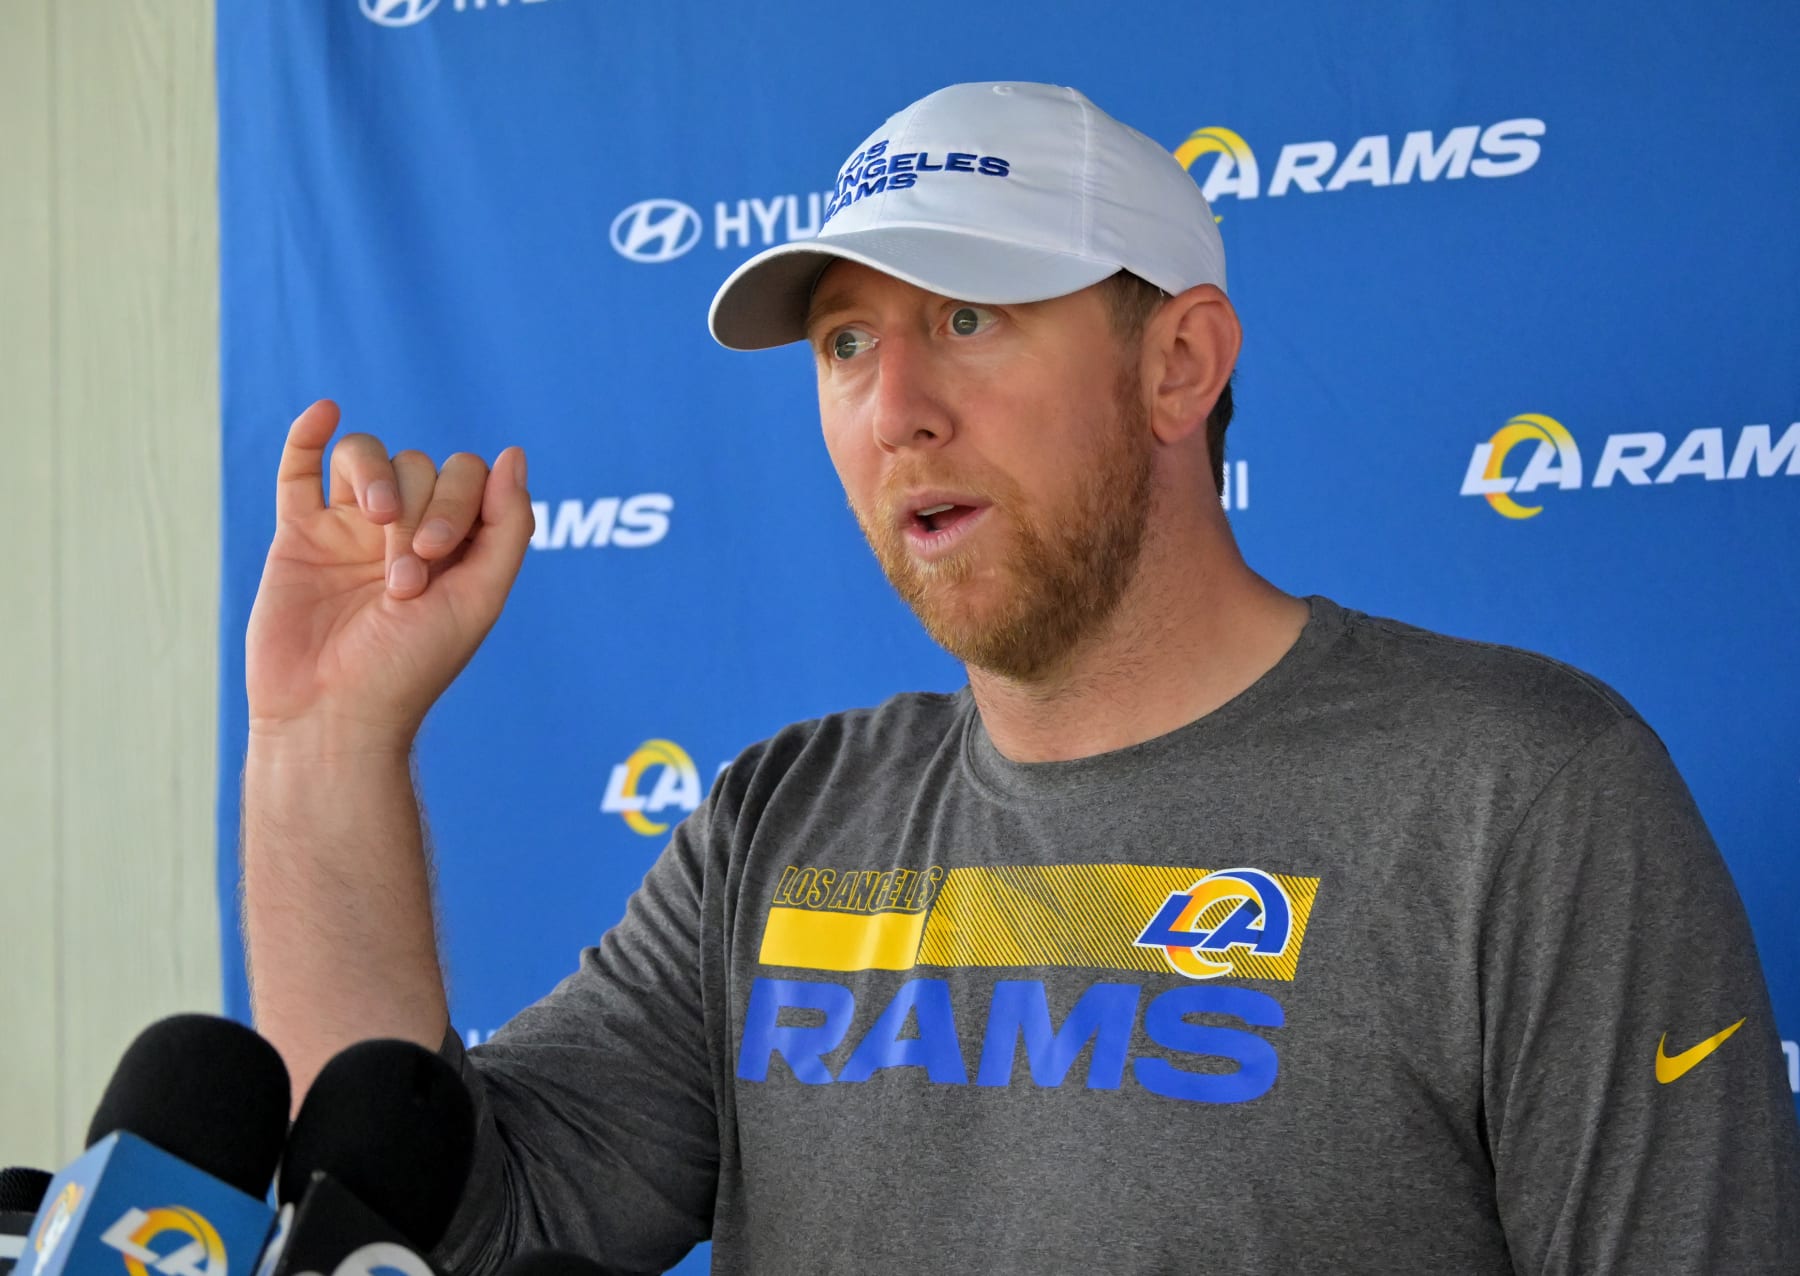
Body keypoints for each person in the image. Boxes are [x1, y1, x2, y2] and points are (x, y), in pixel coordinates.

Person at [242, 82, 1800, 1274]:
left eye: (968, 319)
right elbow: (443, 1208)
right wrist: (326, 741)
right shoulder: (782, 820)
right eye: (847, 345)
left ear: (1179, 365)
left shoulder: (1519, 791)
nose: (894, 406)